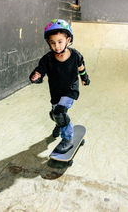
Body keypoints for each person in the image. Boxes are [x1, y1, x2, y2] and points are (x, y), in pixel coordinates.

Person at [29, 19, 90, 153]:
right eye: (52, 43)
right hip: (56, 92)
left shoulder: (75, 55)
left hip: (70, 90)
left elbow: (81, 67)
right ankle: (59, 123)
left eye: (60, 41)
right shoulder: (47, 59)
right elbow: (40, 71)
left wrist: (84, 78)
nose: (56, 46)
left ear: (68, 40)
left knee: (60, 112)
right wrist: (36, 76)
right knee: (55, 113)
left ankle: (67, 138)